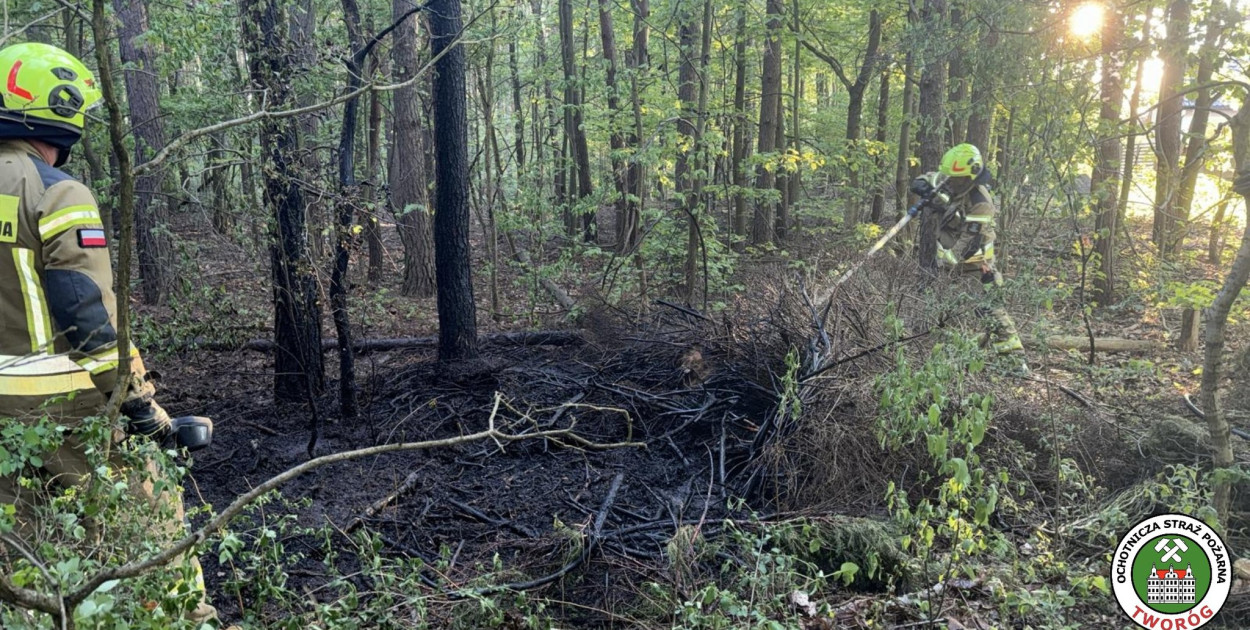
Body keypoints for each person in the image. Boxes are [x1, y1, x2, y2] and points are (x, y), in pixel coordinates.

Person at [0, 42, 223, 626]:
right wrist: (141, 408)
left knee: (24, 548)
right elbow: (89, 316)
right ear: (59, 108)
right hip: (60, 402)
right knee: (153, 522)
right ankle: (183, 619)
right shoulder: (55, 190)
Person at [913, 143, 1026, 371]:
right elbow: (925, 180)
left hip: (976, 264)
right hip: (952, 261)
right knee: (954, 310)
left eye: (958, 179)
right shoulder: (953, 181)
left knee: (988, 308)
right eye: (950, 178)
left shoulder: (981, 202)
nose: (952, 183)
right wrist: (924, 187)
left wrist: (948, 261)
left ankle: (1015, 360)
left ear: (970, 176)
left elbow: (970, 241)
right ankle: (964, 355)